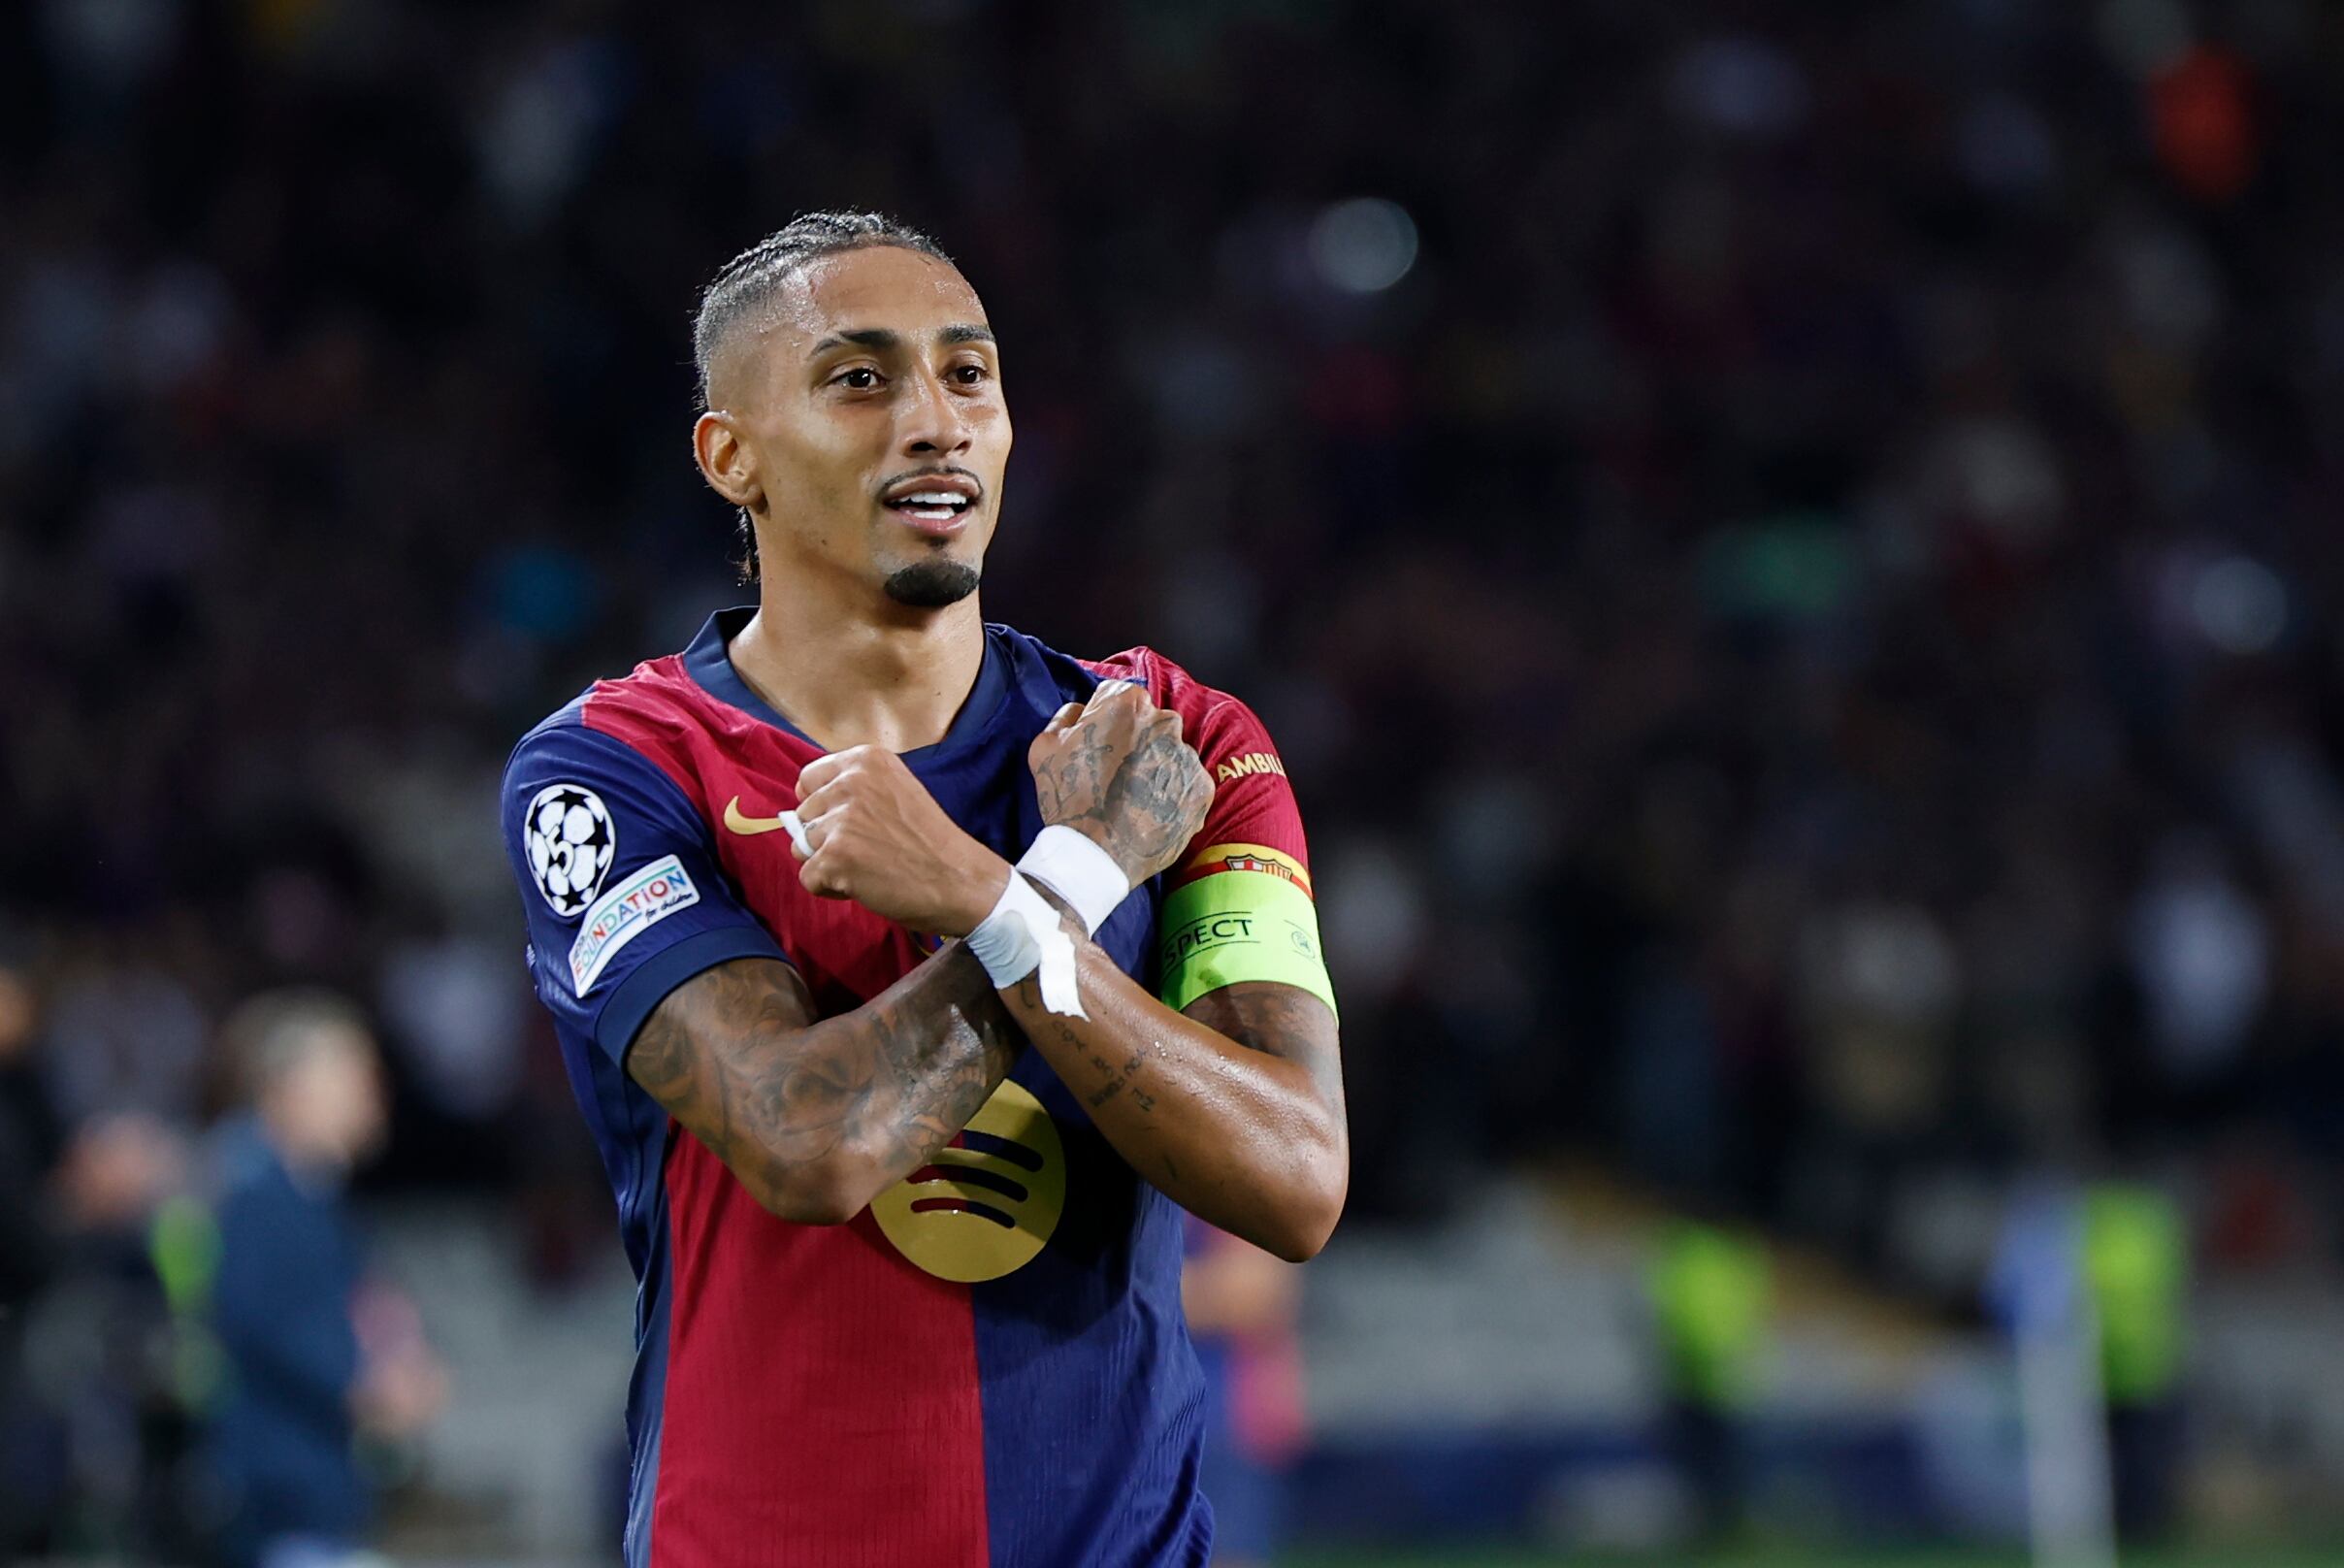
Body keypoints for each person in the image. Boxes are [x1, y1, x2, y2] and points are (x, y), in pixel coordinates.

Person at [498, 211, 1347, 1568]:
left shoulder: (1177, 744)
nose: (936, 420)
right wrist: (1059, 879)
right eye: (860, 378)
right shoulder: (611, 773)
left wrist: (983, 896)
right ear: (733, 456)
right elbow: (808, 1145)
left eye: (969, 374)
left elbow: (1296, 1181)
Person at [200, 989, 443, 1568]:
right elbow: (268, 1322)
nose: (373, 1094)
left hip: (314, 1492)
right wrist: (371, 1383)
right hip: (278, 1500)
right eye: (353, 1073)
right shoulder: (255, 1191)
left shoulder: (312, 1194)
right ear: (291, 1085)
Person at [1181, 1219, 1308, 1568]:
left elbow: (1257, 1289)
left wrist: (1128, 1289)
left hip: (1230, 1424)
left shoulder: (1217, 1178)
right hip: (1153, 1424)